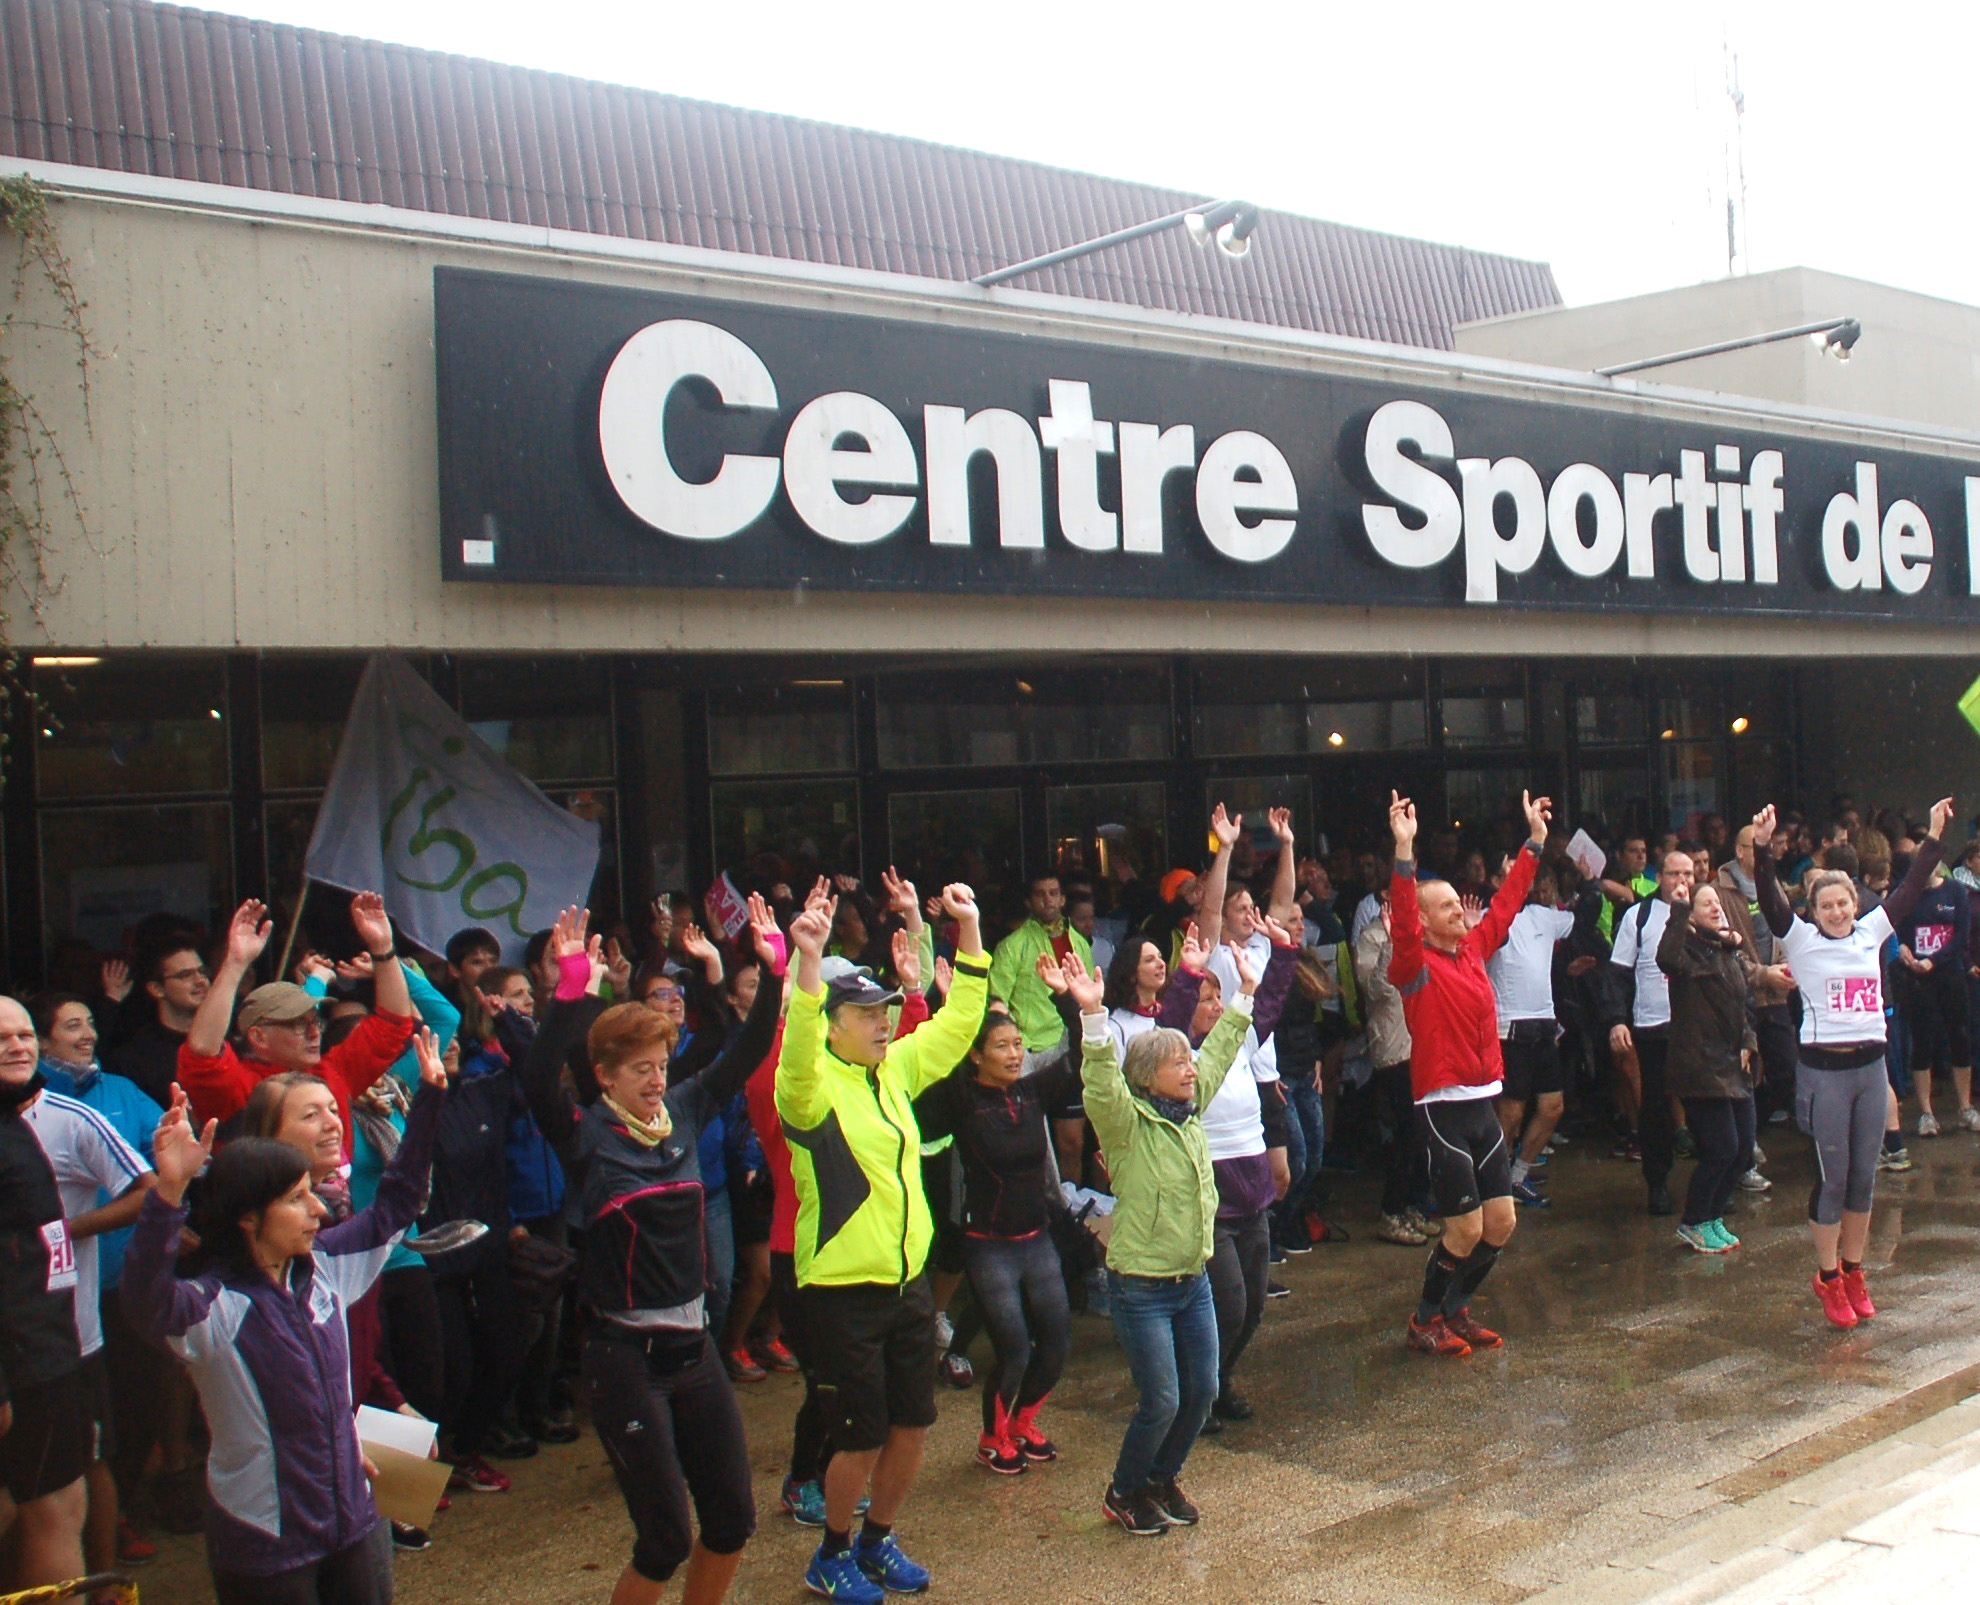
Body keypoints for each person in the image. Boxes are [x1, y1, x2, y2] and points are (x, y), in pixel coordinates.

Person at [506, 898, 783, 1605]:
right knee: (663, 1540)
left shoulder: (683, 1109)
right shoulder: (586, 1136)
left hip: (695, 1347)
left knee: (732, 1521)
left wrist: (776, 972)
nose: (657, 1079)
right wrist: (570, 995)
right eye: (640, 1069)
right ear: (605, 1076)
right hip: (626, 1357)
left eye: (661, 1064)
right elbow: (537, 1080)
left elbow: (746, 1049)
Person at [123, 1031, 447, 1604]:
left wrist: (430, 1099)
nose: (318, 1208)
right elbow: (145, 1300)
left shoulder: (327, 1266)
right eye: (298, 1198)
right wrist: (168, 1192)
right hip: (267, 1544)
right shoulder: (213, 1307)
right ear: (249, 1216)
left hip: (354, 1519)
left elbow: (397, 1204)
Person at [777, 880, 990, 1604]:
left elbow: (960, 1024)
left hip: (906, 1284)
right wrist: (809, 964)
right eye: (866, 1014)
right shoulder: (810, 1090)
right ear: (832, 1023)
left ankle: (877, 1540)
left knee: (913, 1425)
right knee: (859, 1435)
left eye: (884, 1011)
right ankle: (832, 1552)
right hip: (842, 1293)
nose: (881, 1022)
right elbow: (795, 1053)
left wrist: (969, 931)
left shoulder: (892, 1070)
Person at [1074, 943, 1258, 1536]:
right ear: (1146, 1076)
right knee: (1163, 1399)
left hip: (1191, 1279)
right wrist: (1093, 1016)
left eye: (1187, 1061)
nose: (1189, 1068)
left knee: (1202, 1392)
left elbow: (1221, 1049)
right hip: (1142, 1287)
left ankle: (1162, 1477)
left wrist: (1246, 993)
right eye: (1176, 1063)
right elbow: (1101, 1082)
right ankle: (1124, 1489)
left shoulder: (1191, 1109)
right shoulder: (1127, 1125)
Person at [1753, 797, 1954, 1329]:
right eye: (1827, 906)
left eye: (1843, 903)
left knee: (1865, 1178)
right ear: (1814, 911)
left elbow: (1911, 888)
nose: (1837, 912)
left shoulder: (1871, 931)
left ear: (1855, 903)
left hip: (1871, 1069)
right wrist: (1762, 848)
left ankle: (1854, 1269)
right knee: (1834, 1179)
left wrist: (1935, 835)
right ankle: (1827, 1276)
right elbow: (1770, 901)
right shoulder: (1800, 940)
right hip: (1825, 1074)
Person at [1389, 788, 1552, 1358]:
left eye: (1458, 903)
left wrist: (1534, 843)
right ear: (1423, 921)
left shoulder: (1474, 952)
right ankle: (1424, 1319)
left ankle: (1455, 1309)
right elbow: (1403, 921)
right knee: (1464, 1229)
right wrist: (1404, 852)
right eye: (1445, 908)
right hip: (1442, 1108)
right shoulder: (1413, 966)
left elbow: (1505, 905)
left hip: (1483, 1103)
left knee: (1500, 1223)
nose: (1459, 910)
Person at [0, 993, 153, 1589]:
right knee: (48, 1510)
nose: (16, 1046)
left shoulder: (36, 1119)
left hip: (59, 1344)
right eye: (2, 1038)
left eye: (21, 1034)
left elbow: (146, 1191)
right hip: (24, 1360)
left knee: (59, 1499)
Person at [912, 999, 1075, 1476]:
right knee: (1014, 1348)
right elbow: (921, 1091)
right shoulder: (962, 1099)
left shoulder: (1031, 1091)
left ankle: (1023, 1423)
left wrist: (1069, 1001)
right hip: (988, 1243)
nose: (1014, 1054)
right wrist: (941, 1010)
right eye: (1002, 1046)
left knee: (1057, 1341)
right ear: (976, 1055)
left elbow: (1079, 1054)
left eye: (1018, 1044)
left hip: (1036, 1237)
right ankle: (991, 1438)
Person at [178, 894, 417, 1136]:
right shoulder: (239, 1089)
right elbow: (201, 1052)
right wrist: (235, 963)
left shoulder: (333, 1073)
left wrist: (383, 948)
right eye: (298, 1025)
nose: (314, 1033)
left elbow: (393, 1023)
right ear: (259, 1037)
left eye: (316, 1022)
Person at [1657, 883, 1759, 1254]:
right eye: (1706, 904)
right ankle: (1694, 1221)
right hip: (1700, 1066)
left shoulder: (1728, 951)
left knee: (1743, 1148)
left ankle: (1713, 1217)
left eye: (1717, 902)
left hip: (1732, 1064)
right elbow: (1666, 959)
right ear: (1692, 914)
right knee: (1722, 1148)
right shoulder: (1684, 950)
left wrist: (1749, 1041)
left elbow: (1742, 1004)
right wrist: (1679, 911)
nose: (1716, 908)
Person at [1605, 848, 1697, 1216]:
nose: (1682, 881)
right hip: (1652, 1026)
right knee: (1655, 1108)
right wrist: (1617, 1019)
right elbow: (1617, 974)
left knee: (1705, 1103)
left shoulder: (1703, 910)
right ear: (1660, 878)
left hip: (1696, 1026)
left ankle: (1715, 1184)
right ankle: (1657, 1182)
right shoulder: (1638, 916)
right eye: (1674, 874)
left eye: (1688, 874)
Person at [1486, 865, 1576, 1209]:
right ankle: (1495, 1184)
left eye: (1523, 873)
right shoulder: (1485, 917)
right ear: (1495, 880)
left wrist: (1582, 878)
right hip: (1508, 1028)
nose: (1519, 878)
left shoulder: (1542, 914)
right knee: (1510, 1114)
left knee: (1553, 1107)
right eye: (1509, 872)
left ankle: (1517, 1175)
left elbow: (1581, 917)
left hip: (1545, 1025)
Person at [1354, 894, 1428, 1246]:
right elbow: (1376, 991)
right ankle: (1392, 1211)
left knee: (1424, 1132)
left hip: (1423, 1043)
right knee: (1407, 1131)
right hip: (1394, 1048)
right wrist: (1391, 944)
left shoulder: (1420, 933)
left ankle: (1413, 1205)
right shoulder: (1371, 937)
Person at [1890, 849, 1977, 1136]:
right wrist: (1903, 949)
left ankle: (1965, 1106)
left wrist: (1934, 960)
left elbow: (1961, 936)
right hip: (1918, 977)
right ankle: (1926, 1112)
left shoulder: (1955, 891)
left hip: (1950, 973)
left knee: (1959, 1036)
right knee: (1922, 1040)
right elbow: (1896, 929)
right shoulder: (1908, 894)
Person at [989, 872, 1091, 1074]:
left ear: (1062, 899)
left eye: (1053, 893)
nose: (1048, 900)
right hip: (1026, 1047)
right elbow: (997, 1001)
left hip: (1069, 1042)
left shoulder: (1080, 944)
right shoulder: (1012, 945)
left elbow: (1088, 997)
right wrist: (1015, 1043)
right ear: (1028, 902)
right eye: (1040, 894)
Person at [104, 934, 209, 1106]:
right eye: (185, 975)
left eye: (202, 972)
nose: (200, 981)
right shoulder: (133, 1060)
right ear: (156, 989)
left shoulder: (228, 1042)